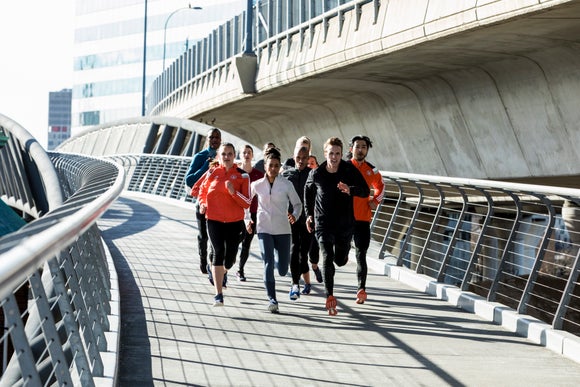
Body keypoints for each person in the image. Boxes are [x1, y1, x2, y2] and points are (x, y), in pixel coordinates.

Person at [304, 137, 369, 315]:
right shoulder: (317, 173)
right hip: (323, 223)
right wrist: (309, 215)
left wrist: (351, 190)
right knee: (326, 256)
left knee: (339, 260)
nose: (334, 157)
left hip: (344, 224)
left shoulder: (349, 170)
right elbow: (308, 192)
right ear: (325, 154)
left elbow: (365, 190)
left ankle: (343, 255)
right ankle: (329, 296)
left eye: (337, 154)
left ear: (342, 154)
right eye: (331, 153)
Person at [247, 147, 302, 313]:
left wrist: (295, 215)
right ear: (265, 166)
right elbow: (245, 203)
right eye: (270, 165)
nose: (273, 169)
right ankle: (272, 299)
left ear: (280, 167)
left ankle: (281, 264)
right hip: (263, 228)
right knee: (268, 263)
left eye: (276, 165)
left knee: (283, 269)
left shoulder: (286, 184)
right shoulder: (256, 185)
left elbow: (298, 204)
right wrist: (247, 219)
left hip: (283, 230)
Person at [197, 143, 251, 306]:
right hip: (213, 219)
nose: (226, 157)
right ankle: (218, 295)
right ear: (219, 156)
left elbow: (247, 203)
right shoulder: (212, 172)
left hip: (234, 222)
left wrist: (234, 193)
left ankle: (220, 271)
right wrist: (202, 203)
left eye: (230, 154)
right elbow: (202, 191)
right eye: (224, 154)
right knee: (218, 251)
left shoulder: (242, 176)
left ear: (235, 156)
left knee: (230, 259)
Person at [347, 135, 385, 304]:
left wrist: (374, 201)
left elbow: (381, 187)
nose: (360, 149)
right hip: (344, 218)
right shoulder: (344, 167)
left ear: (367, 150)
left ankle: (361, 289)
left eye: (363, 147)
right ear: (351, 149)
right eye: (357, 146)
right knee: (340, 254)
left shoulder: (372, 170)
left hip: (363, 218)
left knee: (361, 254)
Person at [282, 145, 318, 298]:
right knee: (294, 250)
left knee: (303, 255)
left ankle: (308, 282)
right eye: (298, 158)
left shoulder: (314, 175)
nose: (301, 161)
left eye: (304, 158)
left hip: (309, 220)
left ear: (309, 158)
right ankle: (295, 285)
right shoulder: (286, 174)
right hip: (292, 219)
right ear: (293, 156)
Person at [185, 128, 221, 274]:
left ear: (220, 140)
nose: (214, 140)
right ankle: (202, 260)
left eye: (217, 137)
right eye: (211, 137)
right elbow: (189, 179)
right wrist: (206, 167)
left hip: (219, 205)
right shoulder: (200, 156)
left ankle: (214, 263)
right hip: (202, 203)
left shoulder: (224, 156)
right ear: (208, 139)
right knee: (203, 235)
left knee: (216, 236)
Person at [236, 144, 264, 281]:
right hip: (236, 212)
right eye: (244, 152)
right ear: (240, 155)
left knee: (246, 243)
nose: (246, 155)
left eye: (249, 152)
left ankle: (240, 270)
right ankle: (225, 266)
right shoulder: (235, 172)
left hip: (253, 213)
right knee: (234, 241)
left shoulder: (259, 175)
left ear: (252, 156)